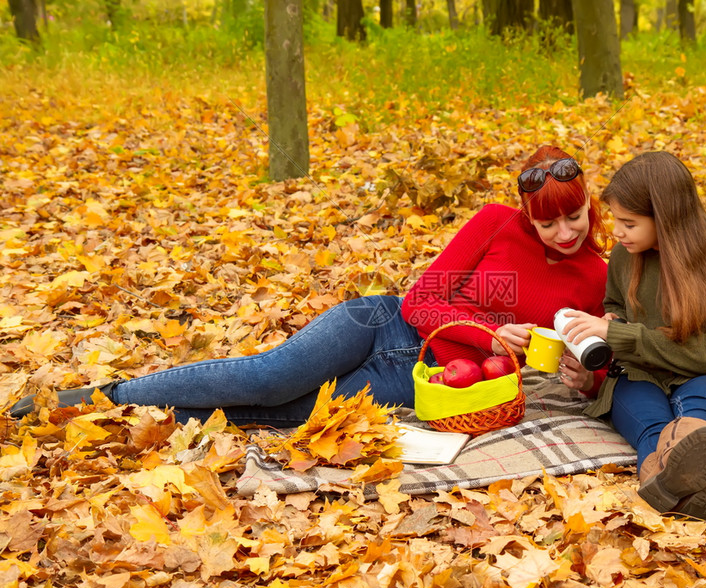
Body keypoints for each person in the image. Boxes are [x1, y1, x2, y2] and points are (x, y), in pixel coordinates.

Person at [10, 146, 609, 426]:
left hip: (420, 374)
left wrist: (584, 376)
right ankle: (103, 397)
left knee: (290, 411)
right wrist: (488, 330)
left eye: (573, 216)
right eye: (547, 220)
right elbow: (421, 300)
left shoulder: (596, 276)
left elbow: (593, 361)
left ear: (589, 207)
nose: (562, 231)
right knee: (266, 378)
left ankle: (137, 419)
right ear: (528, 214)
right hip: (382, 322)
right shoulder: (494, 223)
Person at [559, 151, 706, 522]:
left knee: (696, 415)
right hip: (636, 374)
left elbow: (703, 354)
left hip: (699, 375)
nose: (617, 232)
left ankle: (666, 489)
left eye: (629, 223)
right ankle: (691, 496)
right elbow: (614, 301)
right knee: (651, 422)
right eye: (616, 221)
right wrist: (612, 319)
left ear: (666, 220)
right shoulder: (624, 256)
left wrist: (620, 331)